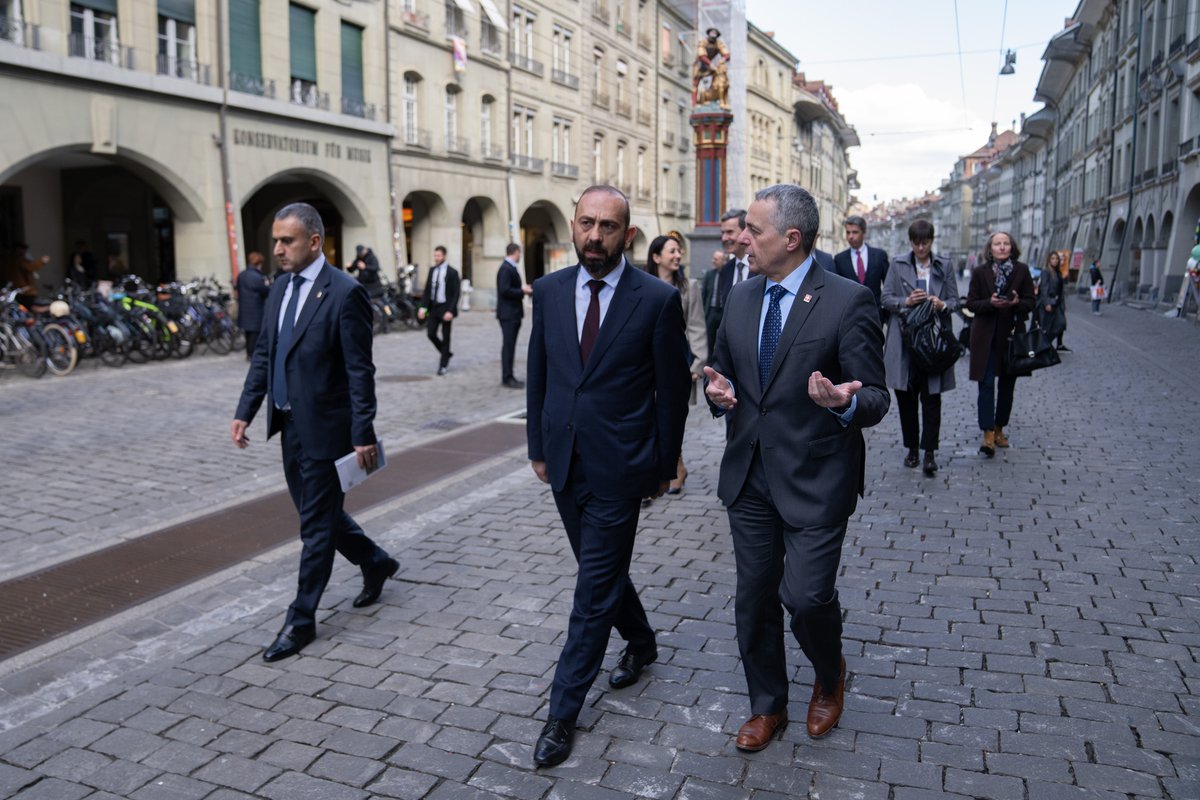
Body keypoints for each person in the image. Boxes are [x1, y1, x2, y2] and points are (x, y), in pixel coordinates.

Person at [702, 184, 889, 752]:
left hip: (816, 477)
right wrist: (718, 394)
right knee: (754, 595)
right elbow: (725, 376)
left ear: (792, 238)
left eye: (752, 231)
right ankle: (768, 704)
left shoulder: (847, 300)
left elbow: (876, 396)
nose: (740, 239)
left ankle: (829, 675)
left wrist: (844, 403)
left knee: (806, 598)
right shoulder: (739, 296)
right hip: (750, 475)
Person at [526, 185, 691, 767]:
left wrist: (665, 464)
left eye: (609, 227)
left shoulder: (654, 300)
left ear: (629, 235)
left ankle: (561, 713)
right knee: (602, 572)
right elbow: (540, 373)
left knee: (592, 592)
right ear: (573, 224)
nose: (595, 237)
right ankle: (642, 642)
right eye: (587, 224)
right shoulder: (547, 292)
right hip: (566, 463)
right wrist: (537, 448)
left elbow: (672, 395)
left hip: (623, 468)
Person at [231, 202, 398, 662]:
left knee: (316, 531)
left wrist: (363, 431)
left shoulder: (345, 293)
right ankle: (376, 561)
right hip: (289, 427)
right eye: (276, 241)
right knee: (317, 516)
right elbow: (265, 353)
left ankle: (300, 620)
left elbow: (360, 371)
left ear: (315, 242)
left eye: (287, 241)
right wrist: (246, 409)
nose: (278, 249)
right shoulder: (280, 287)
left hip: (329, 430)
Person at [879, 220, 959, 476]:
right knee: (907, 398)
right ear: (911, 242)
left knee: (932, 398)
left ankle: (929, 453)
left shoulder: (943, 265)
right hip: (905, 341)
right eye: (917, 243)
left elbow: (955, 300)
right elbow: (886, 298)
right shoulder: (898, 263)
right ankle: (912, 447)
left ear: (932, 241)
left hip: (933, 342)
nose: (921, 247)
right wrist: (907, 301)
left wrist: (941, 304)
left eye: (925, 243)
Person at [644, 234, 707, 494]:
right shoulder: (642, 286)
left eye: (679, 251)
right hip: (646, 364)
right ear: (656, 257)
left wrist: (698, 363)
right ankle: (649, 473)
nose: (677, 255)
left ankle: (676, 464)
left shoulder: (688, 286)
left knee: (670, 417)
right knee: (647, 418)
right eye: (671, 251)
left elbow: (696, 326)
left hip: (676, 365)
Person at [965, 231, 1035, 457]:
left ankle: (999, 429)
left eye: (1006, 243)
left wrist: (1016, 303)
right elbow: (972, 304)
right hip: (985, 337)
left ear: (1012, 247)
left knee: (1007, 387)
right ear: (990, 248)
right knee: (985, 385)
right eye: (998, 244)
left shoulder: (1022, 270)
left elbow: (1031, 302)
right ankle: (987, 434)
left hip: (1011, 337)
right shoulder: (979, 272)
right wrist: (990, 303)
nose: (1002, 247)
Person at [833, 215, 890, 322]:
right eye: (848, 232)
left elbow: (889, 285)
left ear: (864, 233)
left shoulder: (879, 256)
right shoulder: (839, 259)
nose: (850, 236)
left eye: (855, 232)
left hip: (875, 316)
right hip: (850, 317)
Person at [419, 246, 460, 375]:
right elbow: (427, 291)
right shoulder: (432, 270)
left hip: (445, 308)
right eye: (435, 255)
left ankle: (443, 365)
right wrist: (423, 308)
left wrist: (450, 311)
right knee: (430, 333)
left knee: (446, 336)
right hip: (433, 307)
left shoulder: (452, 272)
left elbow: (456, 293)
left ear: (444, 256)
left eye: (438, 256)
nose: (436, 258)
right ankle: (446, 353)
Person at [496, 242, 532, 388]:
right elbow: (504, 290)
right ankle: (507, 377)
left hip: (512, 312)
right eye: (520, 253)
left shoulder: (509, 267)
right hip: (508, 313)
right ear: (515, 252)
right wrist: (522, 291)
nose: (520, 256)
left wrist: (521, 289)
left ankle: (509, 375)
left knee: (510, 345)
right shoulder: (506, 268)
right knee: (508, 346)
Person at [236, 251, 271, 360]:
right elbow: (265, 291)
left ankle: (249, 353)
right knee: (255, 334)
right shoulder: (257, 276)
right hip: (255, 308)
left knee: (248, 333)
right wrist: (267, 285)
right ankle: (252, 354)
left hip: (244, 307)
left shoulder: (242, 275)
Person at [716, 209, 750, 315]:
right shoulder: (726, 270)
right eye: (723, 233)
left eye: (730, 232)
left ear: (745, 232)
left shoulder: (764, 268)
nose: (724, 238)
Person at [1038, 251, 1068, 352]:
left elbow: (1061, 289)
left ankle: (1058, 345)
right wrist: (1047, 303)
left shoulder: (1058, 272)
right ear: (1049, 260)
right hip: (1050, 301)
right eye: (1052, 258)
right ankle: (1044, 344)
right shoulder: (1046, 272)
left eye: (1056, 258)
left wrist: (1063, 303)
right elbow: (1044, 288)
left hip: (1058, 302)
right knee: (1050, 325)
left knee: (1061, 324)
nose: (1055, 260)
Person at [701, 248, 726, 363]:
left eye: (716, 259)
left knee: (723, 339)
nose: (713, 261)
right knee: (709, 340)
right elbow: (703, 295)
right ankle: (709, 363)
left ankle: (721, 363)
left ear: (723, 260)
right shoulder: (709, 275)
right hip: (710, 311)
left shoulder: (728, 274)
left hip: (724, 312)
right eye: (713, 258)